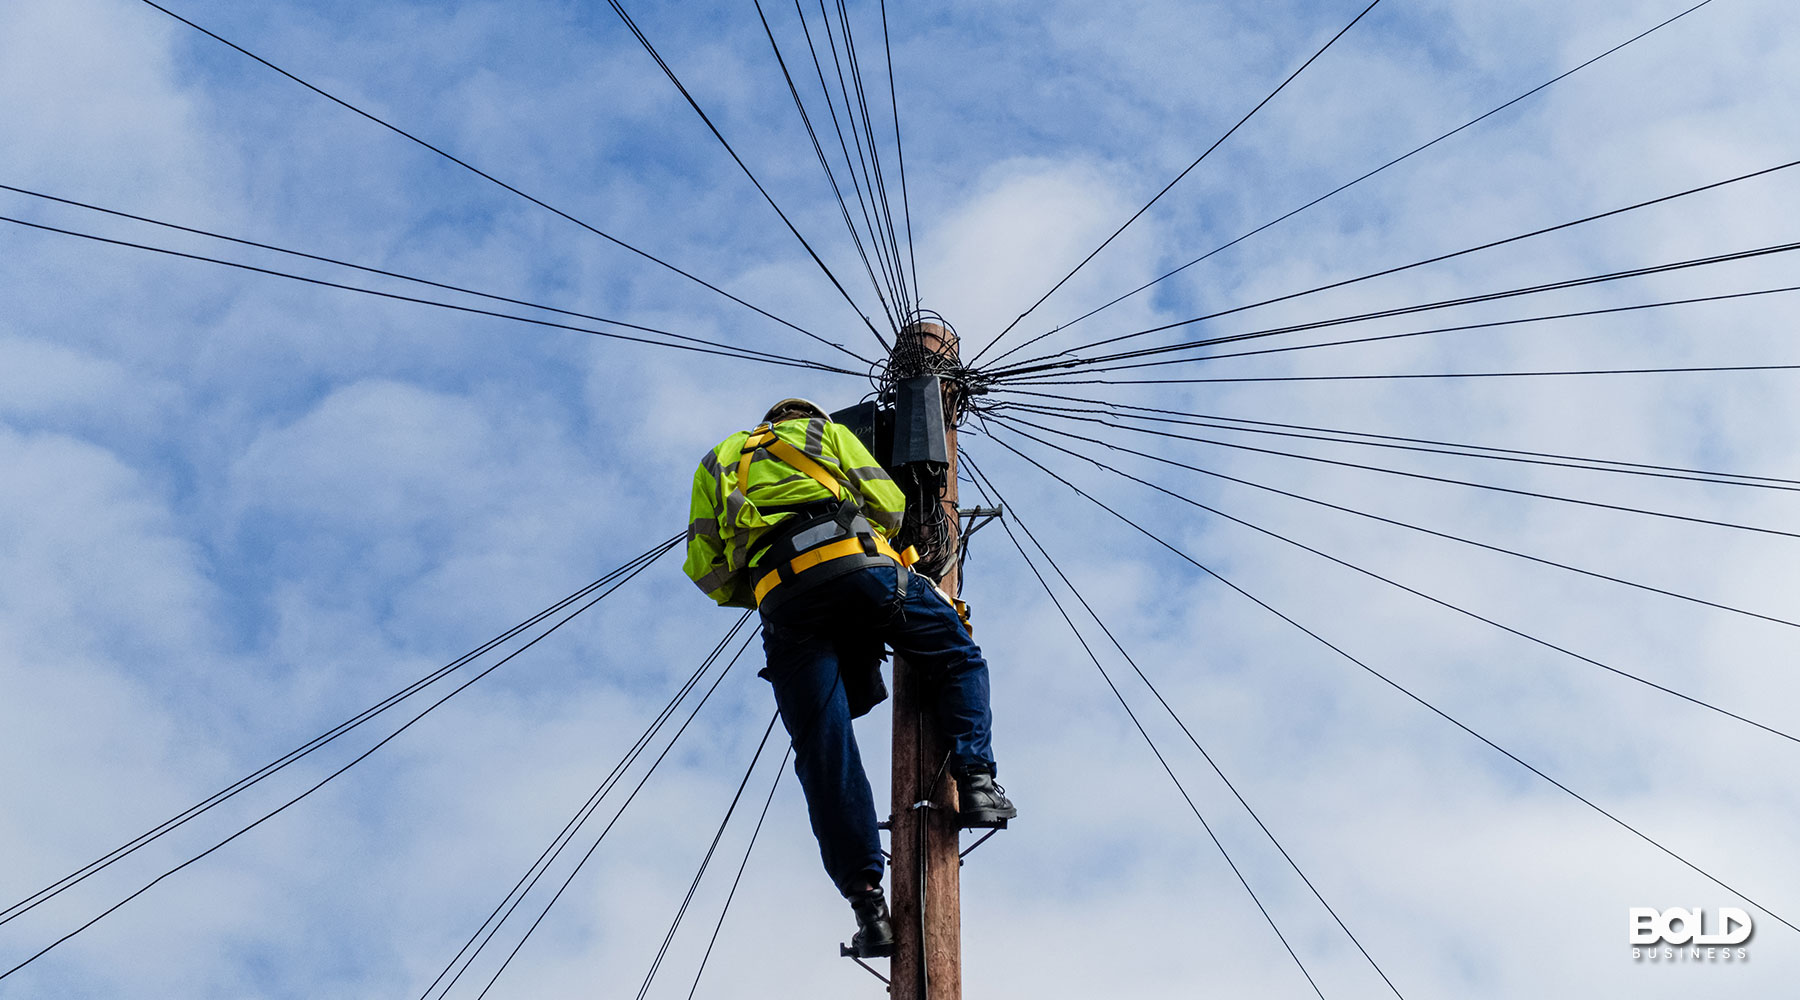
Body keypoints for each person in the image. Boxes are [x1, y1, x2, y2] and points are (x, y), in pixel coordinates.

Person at [683, 397, 1015, 958]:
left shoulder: (719, 461)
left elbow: (708, 571)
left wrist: (771, 582)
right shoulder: (827, 435)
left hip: (783, 603)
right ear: (805, 417)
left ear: (767, 423)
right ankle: (977, 784)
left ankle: (868, 907)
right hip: (857, 566)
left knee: (823, 747)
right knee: (957, 654)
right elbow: (888, 502)